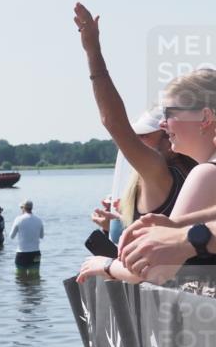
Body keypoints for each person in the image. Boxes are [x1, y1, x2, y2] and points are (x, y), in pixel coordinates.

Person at [79, 68, 216, 286]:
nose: (164, 123)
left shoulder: (206, 173)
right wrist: (179, 224)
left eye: (170, 113)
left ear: (205, 117)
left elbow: (156, 269)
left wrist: (104, 265)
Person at [74, 3, 196, 230]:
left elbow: (114, 122)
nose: (135, 140)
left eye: (145, 135)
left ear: (169, 141)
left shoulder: (160, 172)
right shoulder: (199, 175)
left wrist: (92, 50)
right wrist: (116, 228)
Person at [10, 200, 43, 275]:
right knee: (35, 278)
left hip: (22, 253)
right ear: (31, 208)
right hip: (35, 253)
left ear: (23, 208)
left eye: (21, 208)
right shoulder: (39, 220)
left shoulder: (18, 219)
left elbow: (11, 236)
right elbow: (41, 236)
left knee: (20, 278)